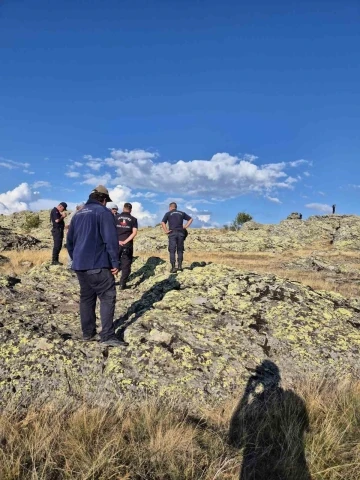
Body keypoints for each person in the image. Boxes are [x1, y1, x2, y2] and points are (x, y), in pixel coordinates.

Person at [67, 185, 128, 347]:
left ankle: (88, 333)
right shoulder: (103, 213)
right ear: (103, 199)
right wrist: (115, 262)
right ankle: (107, 335)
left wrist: (76, 259)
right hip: (97, 264)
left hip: (80, 265)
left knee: (87, 298)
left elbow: (70, 242)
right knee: (108, 296)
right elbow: (110, 239)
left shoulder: (78, 214)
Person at [161, 202, 193, 272]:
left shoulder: (168, 213)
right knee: (180, 250)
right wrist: (185, 227)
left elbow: (163, 222)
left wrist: (166, 230)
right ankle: (180, 267)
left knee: (172, 250)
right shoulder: (182, 213)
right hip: (181, 233)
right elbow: (190, 219)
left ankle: (173, 268)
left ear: (170, 207)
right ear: (176, 207)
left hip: (172, 233)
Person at [115, 202, 138, 290]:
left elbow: (111, 230)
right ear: (131, 210)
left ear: (123, 208)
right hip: (127, 245)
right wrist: (125, 241)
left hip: (116, 243)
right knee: (126, 264)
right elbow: (134, 232)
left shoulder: (115, 218)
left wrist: (118, 241)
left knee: (112, 261)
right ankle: (122, 284)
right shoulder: (133, 219)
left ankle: (109, 281)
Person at [64, 202, 85, 269]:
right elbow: (67, 225)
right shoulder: (74, 214)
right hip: (72, 235)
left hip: (75, 234)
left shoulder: (78, 214)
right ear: (80, 207)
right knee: (72, 249)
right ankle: (70, 265)